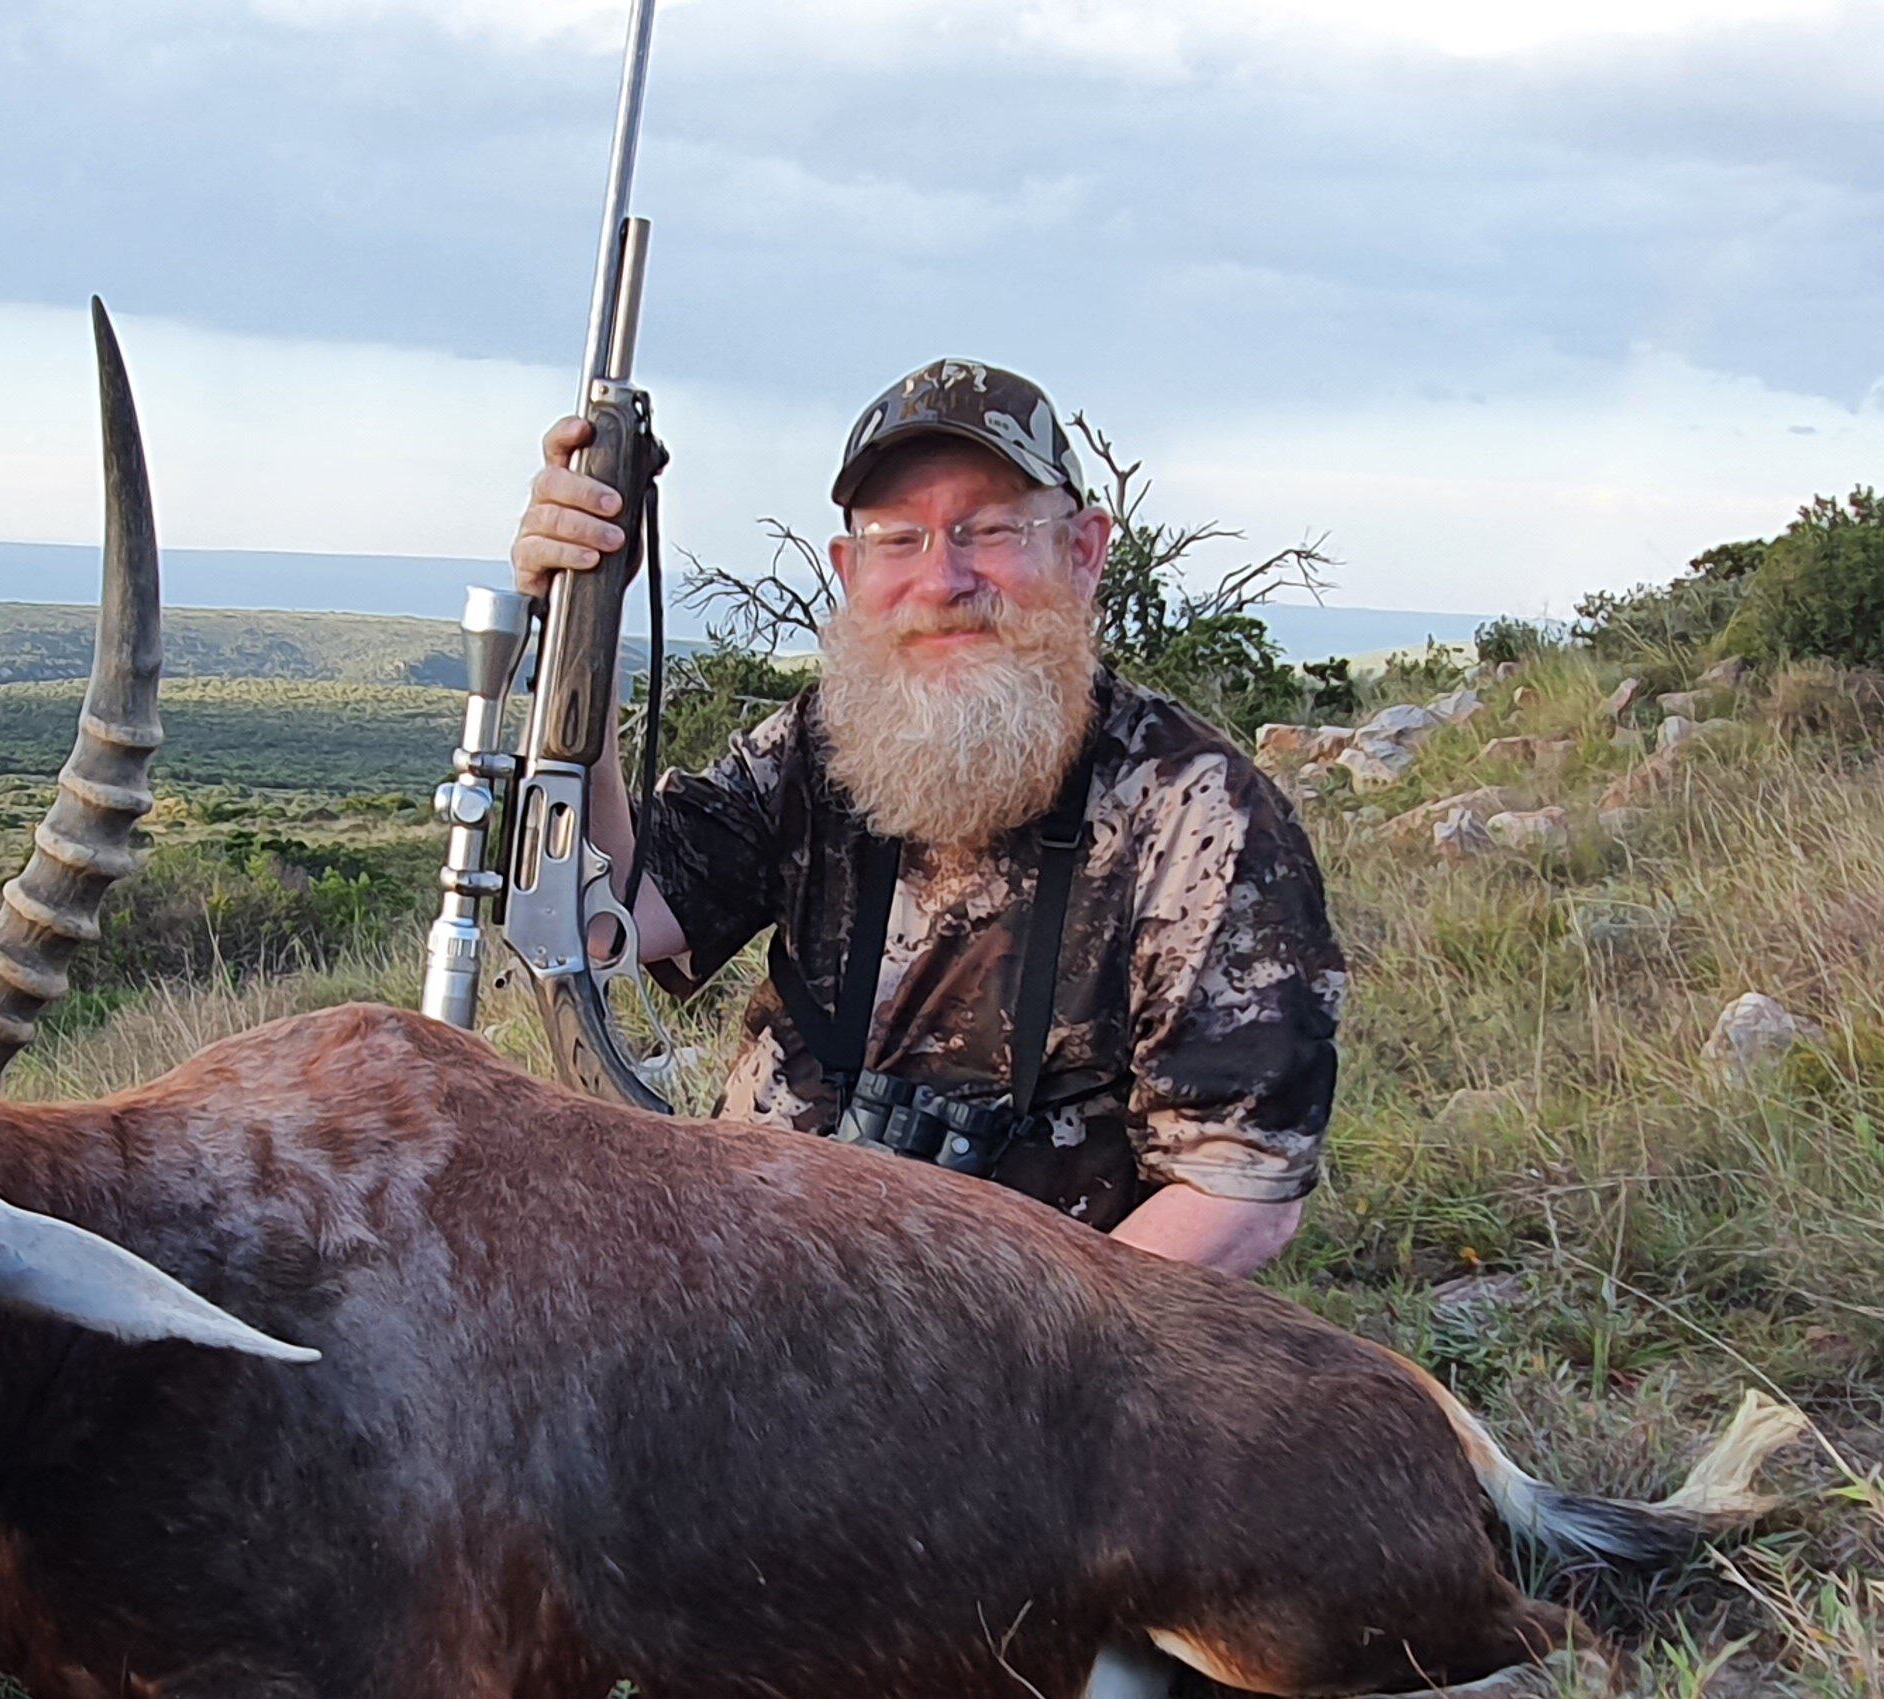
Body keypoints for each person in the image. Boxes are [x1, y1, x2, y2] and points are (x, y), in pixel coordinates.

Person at [509, 359, 1340, 1277]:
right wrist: (578, 625)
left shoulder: (1200, 813)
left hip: (1018, 1357)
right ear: (848, 570)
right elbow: (606, 914)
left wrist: (976, 1375)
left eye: (990, 530)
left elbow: (1234, 1197)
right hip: (739, 1288)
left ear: (1086, 550)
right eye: (897, 539)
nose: (943, 579)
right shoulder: (818, 749)